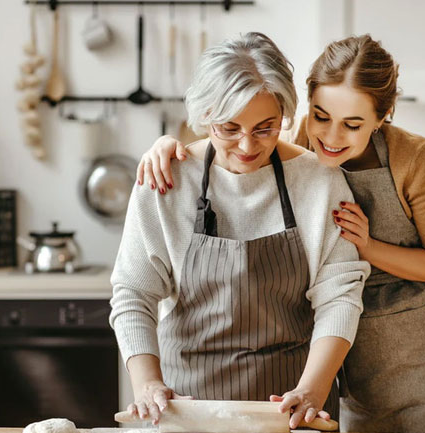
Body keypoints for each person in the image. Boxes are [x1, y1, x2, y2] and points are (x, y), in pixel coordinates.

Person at [135, 34, 425, 433]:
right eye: (321, 116)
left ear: (384, 115)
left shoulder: (411, 160)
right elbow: (239, 136)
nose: (331, 138)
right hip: (347, 359)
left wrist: (367, 247)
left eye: (352, 125)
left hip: (424, 356)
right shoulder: (297, 146)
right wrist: (169, 148)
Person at [109, 32, 369, 430]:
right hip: (188, 409)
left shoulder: (319, 182)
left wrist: (313, 390)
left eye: (266, 128)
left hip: (290, 410)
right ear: (204, 116)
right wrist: (147, 384)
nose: (248, 146)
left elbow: (340, 296)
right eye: (228, 128)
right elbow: (133, 293)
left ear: (284, 114)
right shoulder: (166, 180)